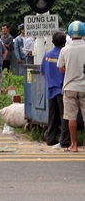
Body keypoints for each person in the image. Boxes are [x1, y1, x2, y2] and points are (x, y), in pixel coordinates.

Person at [57, 21, 85, 152]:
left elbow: (61, 68)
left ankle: (74, 145)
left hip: (69, 87)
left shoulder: (65, 50)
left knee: (71, 117)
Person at [40, 31, 70, 149]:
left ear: (52, 42)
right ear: (64, 42)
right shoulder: (63, 55)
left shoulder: (47, 55)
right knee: (64, 116)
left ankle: (50, 138)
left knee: (52, 115)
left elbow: (42, 71)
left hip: (50, 89)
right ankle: (64, 140)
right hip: (61, 89)